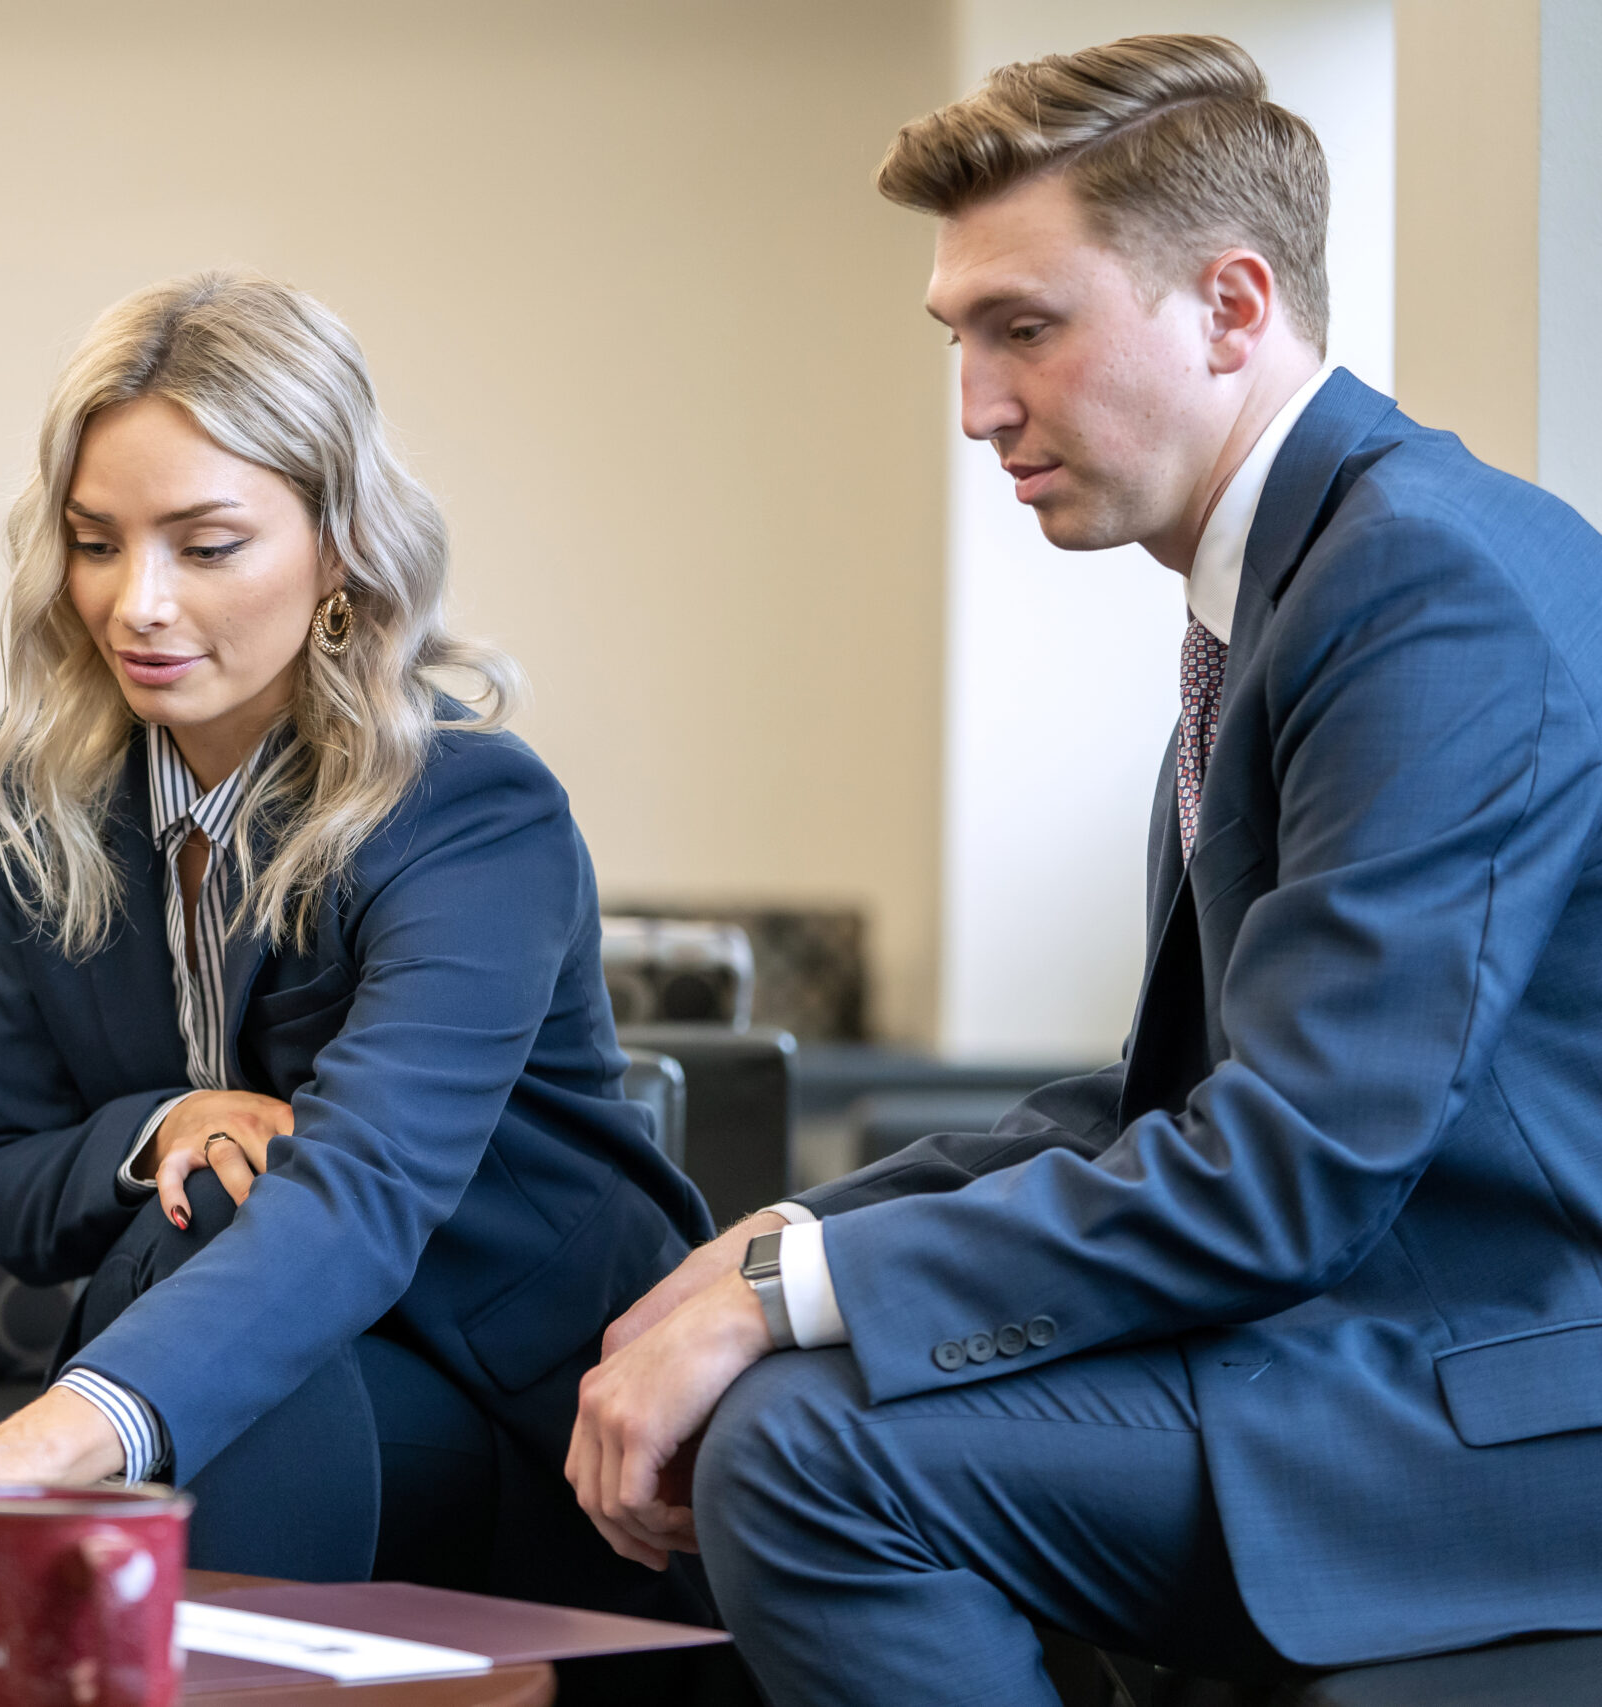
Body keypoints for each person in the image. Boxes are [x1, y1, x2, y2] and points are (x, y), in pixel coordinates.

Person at [570, 33, 1602, 1704]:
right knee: (722, 1368)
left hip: (1496, 1408)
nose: (978, 405)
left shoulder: (1425, 591)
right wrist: (775, 1242)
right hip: (1373, 1342)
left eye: (1025, 329)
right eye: (961, 336)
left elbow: (1294, 1165)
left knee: (808, 1458)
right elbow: (1159, 1100)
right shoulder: (1300, 583)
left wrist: (795, 1296)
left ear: (1233, 307)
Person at [0, 272, 715, 1613]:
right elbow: (5, 1183)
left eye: (205, 547)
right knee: (200, 1197)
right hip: (248, 1374)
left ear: (337, 547)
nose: (137, 604)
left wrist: (49, 1437)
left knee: (230, 1216)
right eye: (97, 543)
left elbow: (359, 1188)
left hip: (526, 1421)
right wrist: (170, 1121)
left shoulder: (470, 811)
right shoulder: (55, 804)